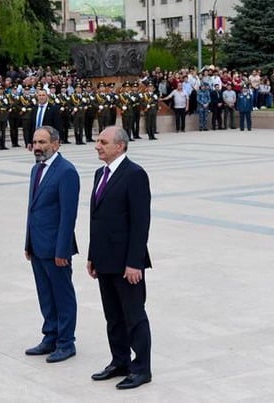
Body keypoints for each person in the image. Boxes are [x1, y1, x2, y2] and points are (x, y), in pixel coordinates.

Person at [87, 126, 152, 390]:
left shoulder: (135, 175)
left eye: (103, 141)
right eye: (97, 141)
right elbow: (97, 219)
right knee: (113, 315)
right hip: (104, 260)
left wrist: (134, 262)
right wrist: (92, 255)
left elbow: (140, 223)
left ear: (120, 146)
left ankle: (141, 369)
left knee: (134, 316)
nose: (97, 146)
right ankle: (120, 361)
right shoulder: (99, 174)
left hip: (127, 263)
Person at [24, 126, 80, 364]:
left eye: (43, 142)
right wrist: (28, 242)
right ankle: (50, 336)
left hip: (56, 248)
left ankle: (66, 342)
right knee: (45, 294)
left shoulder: (66, 171)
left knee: (62, 295)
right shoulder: (36, 169)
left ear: (56, 144)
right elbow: (32, 209)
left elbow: (69, 215)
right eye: (35, 142)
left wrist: (62, 250)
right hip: (37, 246)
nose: (37, 147)